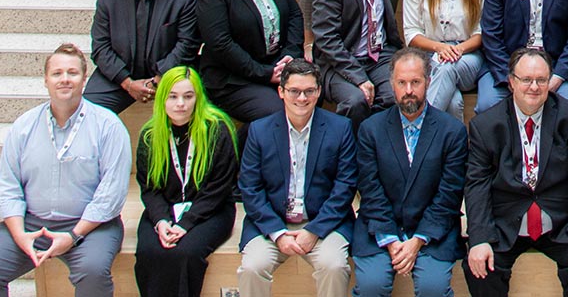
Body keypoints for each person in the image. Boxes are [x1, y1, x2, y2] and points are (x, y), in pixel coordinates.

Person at [0, 45, 130, 297]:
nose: (65, 79)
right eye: (57, 73)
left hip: (89, 226)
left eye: (72, 73)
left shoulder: (108, 126)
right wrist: (20, 235)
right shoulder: (24, 126)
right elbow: (8, 186)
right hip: (32, 223)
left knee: (92, 272)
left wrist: (73, 236)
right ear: (45, 80)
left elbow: (111, 194)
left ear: (84, 79)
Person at [462, 46, 568, 297]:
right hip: (507, 222)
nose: (534, 87)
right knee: (479, 267)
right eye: (526, 80)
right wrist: (480, 238)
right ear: (511, 82)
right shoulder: (485, 125)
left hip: (559, 222)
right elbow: (476, 185)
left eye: (541, 80)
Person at [350, 47, 469, 297]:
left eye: (415, 82)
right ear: (391, 84)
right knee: (372, 286)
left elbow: (449, 195)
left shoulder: (452, 131)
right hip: (380, 229)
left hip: (433, 232)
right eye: (401, 83)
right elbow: (370, 190)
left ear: (428, 81)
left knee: (433, 288)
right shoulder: (371, 129)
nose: (408, 91)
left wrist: (417, 241)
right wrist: (392, 241)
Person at [235, 60, 357, 297]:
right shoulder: (259, 131)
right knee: (252, 268)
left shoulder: (340, 128)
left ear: (319, 92)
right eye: (294, 91)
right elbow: (250, 189)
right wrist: (278, 234)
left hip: (324, 224)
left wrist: (314, 230)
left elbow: (345, 187)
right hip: (270, 224)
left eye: (309, 91)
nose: (302, 98)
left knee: (334, 266)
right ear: (281, 92)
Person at [132, 66, 240, 297]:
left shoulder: (218, 130)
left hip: (211, 211)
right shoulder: (150, 135)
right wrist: (161, 221)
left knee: (186, 252)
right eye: (173, 96)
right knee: (150, 252)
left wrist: (185, 224)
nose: (180, 103)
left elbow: (218, 190)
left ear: (197, 98)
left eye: (188, 96)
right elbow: (149, 189)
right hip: (165, 210)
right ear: (162, 99)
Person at [86, 0, 199, 114]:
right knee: (89, 109)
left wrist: (158, 79)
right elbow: (100, 47)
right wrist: (127, 82)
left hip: (168, 76)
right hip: (118, 79)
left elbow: (187, 44)